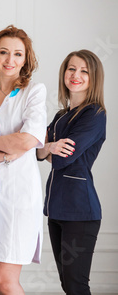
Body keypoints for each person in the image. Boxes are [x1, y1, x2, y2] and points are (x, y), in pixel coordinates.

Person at [0, 25, 47, 294]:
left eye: (17, 54)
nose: (9, 60)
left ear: (25, 60)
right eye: (3, 52)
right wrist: (5, 151)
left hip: (18, 198)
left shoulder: (33, 92)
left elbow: (27, 140)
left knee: (5, 279)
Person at [36, 50, 106, 295]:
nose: (76, 75)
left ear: (93, 77)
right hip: (56, 209)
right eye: (71, 69)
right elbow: (37, 150)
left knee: (76, 285)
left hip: (80, 211)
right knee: (67, 283)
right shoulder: (60, 115)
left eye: (84, 71)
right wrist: (48, 147)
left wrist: (48, 149)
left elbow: (61, 158)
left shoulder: (95, 114)